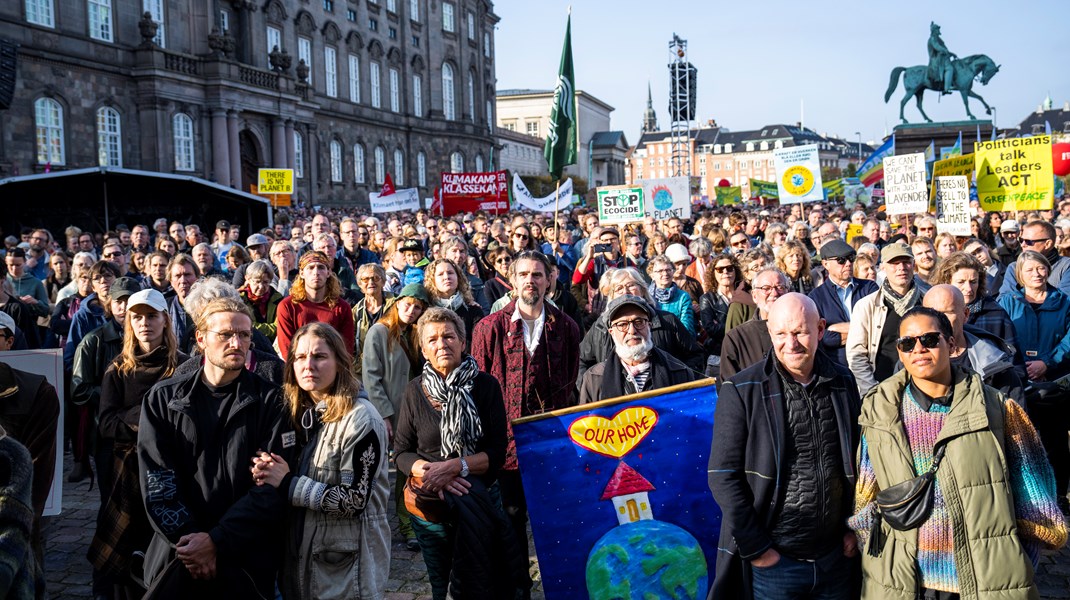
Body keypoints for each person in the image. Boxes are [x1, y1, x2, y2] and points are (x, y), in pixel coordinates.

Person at [848, 306, 1067, 597]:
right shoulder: (880, 412)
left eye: (929, 339)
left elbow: (1035, 498)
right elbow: (867, 493)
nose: (918, 349)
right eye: (907, 343)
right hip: (905, 581)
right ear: (899, 352)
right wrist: (878, 556)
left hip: (984, 580)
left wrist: (1018, 561)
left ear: (951, 345)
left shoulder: (999, 409)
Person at [709, 293, 861, 600]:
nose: (790, 344)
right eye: (780, 334)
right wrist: (757, 549)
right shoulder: (741, 390)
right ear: (769, 332)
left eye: (800, 332)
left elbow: (859, 461)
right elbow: (723, 475)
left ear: (820, 329)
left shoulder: (843, 380)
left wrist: (854, 527)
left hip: (835, 559)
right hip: (775, 563)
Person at [138, 297, 293, 597]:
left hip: (245, 561)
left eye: (244, 335)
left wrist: (217, 541)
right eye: (225, 334)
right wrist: (194, 545)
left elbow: (269, 488)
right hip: (179, 556)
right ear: (201, 338)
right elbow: (157, 483)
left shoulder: (272, 401)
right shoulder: (162, 400)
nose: (237, 342)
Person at [394, 307, 528, 599]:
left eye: (449, 336)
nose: (442, 344)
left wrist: (456, 467)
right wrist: (432, 473)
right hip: (432, 501)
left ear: (463, 342)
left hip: (481, 493)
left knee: (486, 574)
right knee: (442, 579)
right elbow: (402, 452)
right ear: (423, 350)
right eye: (433, 340)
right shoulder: (414, 391)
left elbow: (497, 450)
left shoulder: (486, 385)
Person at [252, 323, 391, 600]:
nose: (308, 365)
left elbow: (354, 500)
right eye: (300, 357)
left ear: (339, 362)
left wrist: (288, 483)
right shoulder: (300, 415)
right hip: (301, 564)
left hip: (346, 573)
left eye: (319, 357)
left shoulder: (362, 419)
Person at [471, 250, 581, 563]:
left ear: (549, 280)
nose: (530, 281)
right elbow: (477, 389)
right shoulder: (488, 328)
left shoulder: (567, 327)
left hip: (552, 443)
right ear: (513, 281)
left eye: (537, 275)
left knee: (557, 519)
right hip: (503, 445)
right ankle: (518, 587)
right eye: (523, 275)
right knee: (510, 520)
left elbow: (569, 382)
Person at [91, 289, 185, 599]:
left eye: (152, 316)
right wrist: (147, 417)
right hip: (126, 470)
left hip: (171, 466)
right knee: (126, 544)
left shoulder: (184, 367)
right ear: (129, 323)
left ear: (165, 320)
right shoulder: (118, 368)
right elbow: (106, 423)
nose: (145, 323)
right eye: (137, 317)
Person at [997, 250, 1070, 513]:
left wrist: (1047, 362)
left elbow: (1069, 339)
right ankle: (1028, 500)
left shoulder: (1063, 301)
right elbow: (999, 337)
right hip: (1018, 382)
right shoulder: (1006, 302)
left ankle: (1059, 496)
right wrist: (1019, 366)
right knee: (1023, 441)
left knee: (1056, 442)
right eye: (1029, 270)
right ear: (1019, 275)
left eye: (1040, 268)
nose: (1036, 274)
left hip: (1055, 382)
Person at [363, 282, 429, 551]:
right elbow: (371, 377)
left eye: (417, 307)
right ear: (397, 301)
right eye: (408, 304)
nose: (411, 310)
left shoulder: (415, 334)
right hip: (388, 413)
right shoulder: (379, 331)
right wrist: (385, 416)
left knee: (408, 469)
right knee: (379, 472)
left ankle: (408, 524)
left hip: (412, 412)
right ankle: (372, 525)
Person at [579, 295, 698, 404]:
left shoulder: (679, 371)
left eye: (639, 322)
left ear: (649, 326)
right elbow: (587, 424)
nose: (632, 330)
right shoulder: (594, 378)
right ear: (612, 332)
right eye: (622, 325)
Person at [923, 285, 1024, 403]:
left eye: (947, 313)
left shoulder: (995, 362)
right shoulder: (912, 360)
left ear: (965, 314)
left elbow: (1016, 416)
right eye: (932, 314)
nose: (939, 321)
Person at [847, 242, 925, 396]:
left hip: (922, 388)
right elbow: (856, 355)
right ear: (882, 267)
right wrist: (872, 392)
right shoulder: (866, 306)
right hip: (881, 388)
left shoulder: (926, 300)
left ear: (913, 265)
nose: (901, 267)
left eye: (906, 262)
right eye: (894, 263)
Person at [929, 251, 1019, 361]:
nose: (968, 288)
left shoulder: (995, 314)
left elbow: (1015, 361)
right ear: (946, 282)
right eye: (961, 282)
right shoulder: (932, 312)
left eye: (973, 282)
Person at [808, 239, 878, 367]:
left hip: (873, 362)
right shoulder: (816, 297)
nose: (848, 263)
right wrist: (865, 331)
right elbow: (824, 338)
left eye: (851, 258)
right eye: (841, 260)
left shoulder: (869, 288)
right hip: (839, 369)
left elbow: (878, 325)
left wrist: (834, 328)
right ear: (825, 264)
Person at [276, 251, 355, 360]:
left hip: (331, 367)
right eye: (311, 267)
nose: (316, 272)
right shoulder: (287, 306)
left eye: (321, 267)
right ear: (302, 273)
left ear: (328, 273)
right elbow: (287, 348)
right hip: (298, 367)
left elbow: (346, 348)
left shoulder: (342, 307)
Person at [719, 268, 789, 382]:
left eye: (780, 287)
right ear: (754, 296)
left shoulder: (801, 329)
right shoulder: (737, 338)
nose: (774, 293)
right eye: (766, 288)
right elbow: (729, 386)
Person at [424, 258, 484, 351]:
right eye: (440, 274)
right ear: (433, 280)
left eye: (450, 273)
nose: (446, 277)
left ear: (458, 277)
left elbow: (479, 346)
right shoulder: (426, 312)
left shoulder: (474, 311)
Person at [699, 254, 749, 363]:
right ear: (713, 273)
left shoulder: (746, 295)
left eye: (729, 268)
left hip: (745, 350)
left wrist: (721, 325)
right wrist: (740, 326)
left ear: (736, 271)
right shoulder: (707, 299)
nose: (725, 272)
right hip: (718, 353)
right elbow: (711, 329)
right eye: (720, 269)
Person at [1000, 220, 1070, 296]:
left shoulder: (1066, 266)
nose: (1022, 245)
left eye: (1028, 241)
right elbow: (1005, 301)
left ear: (1047, 244)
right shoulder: (1014, 267)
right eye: (1021, 240)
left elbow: (1065, 300)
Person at [646, 254, 697, 334]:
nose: (665, 273)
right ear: (652, 275)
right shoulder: (647, 297)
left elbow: (687, 327)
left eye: (668, 270)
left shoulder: (683, 297)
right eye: (660, 271)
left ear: (673, 272)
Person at [238, 259, 283, 342]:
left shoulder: (278, 299)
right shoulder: (239, 300)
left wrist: (252, 327)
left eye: (265, 282)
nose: (261, 286)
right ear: (247, 279)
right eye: (257, 282)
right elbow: (242, 327)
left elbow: (278, 328)